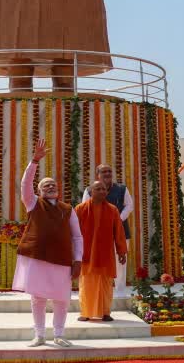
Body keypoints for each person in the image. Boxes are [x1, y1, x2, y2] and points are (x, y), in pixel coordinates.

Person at [13, 138, 82, 347]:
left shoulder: (68, 209)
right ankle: (40, 335)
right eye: (45, 185)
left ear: (58, 189)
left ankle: (59, 334)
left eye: (53, 184)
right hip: (38, 257)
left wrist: (78, 260)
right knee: (38, 299)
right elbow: (25, 185)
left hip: (61, 259)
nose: (50, 186)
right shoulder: (33, 203)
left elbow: (77, 236)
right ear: (40, 191)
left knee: (61, 299)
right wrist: (34, 161)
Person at [75, 180, 127, 322]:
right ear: (91, 192)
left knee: (105, 284)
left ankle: (105, 312)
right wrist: (74, 253)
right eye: (98, 189)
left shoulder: (112, 209)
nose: (103, 191)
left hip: (105, 253)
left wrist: (122, 251)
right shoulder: (80, 209)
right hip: (87, 253)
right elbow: (73, 233)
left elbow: (119, 232)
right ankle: (85, 312)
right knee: (86, 283)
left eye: (104, 189)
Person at [81, 163, 133, 285]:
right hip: (98, 233)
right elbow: (85, 209)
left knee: (120, 261)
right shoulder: (89, 190)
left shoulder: (122, 189)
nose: (107, 174)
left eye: (109, 171)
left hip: (121, 231)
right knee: (101, 260)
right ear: (98, 175)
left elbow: (129, 206)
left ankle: (120, 290)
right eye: (104, 172)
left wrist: (117, 220)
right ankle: (103, 288)